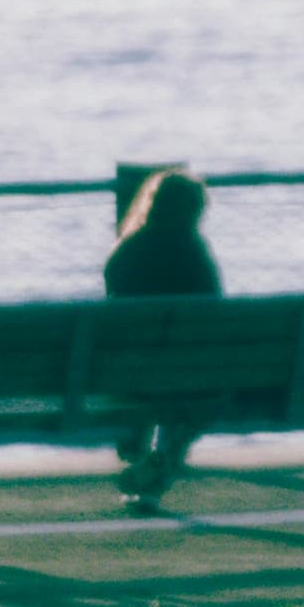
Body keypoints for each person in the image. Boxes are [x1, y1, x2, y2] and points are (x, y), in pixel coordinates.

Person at [103, 164, 223, 516]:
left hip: (129, 376)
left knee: (159, 384)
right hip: (186, 377)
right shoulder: (195, 254)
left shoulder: (125, 254)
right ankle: (161, 462)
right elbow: (214, 312)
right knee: (205, 392)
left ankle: (141, 455)